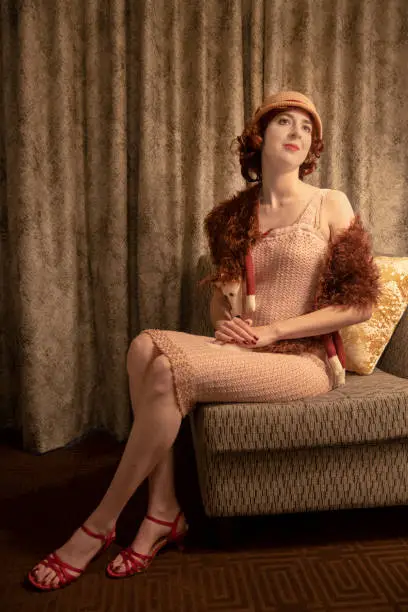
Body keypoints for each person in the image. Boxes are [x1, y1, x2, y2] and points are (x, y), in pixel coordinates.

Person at [27, 91, 373, 591]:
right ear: (259, 138)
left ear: (313, 145)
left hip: (304, 359)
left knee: (169, 369)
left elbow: (360, 304)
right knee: (144, 346)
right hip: (246, 348)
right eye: (283, 122)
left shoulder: (330, 203)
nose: (296, 132)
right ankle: (163, 511)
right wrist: (227, 313)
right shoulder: (231, 218)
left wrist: (273, 330)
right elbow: (221, 310)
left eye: (305, 126)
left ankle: (99, 524)